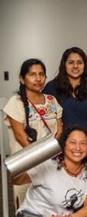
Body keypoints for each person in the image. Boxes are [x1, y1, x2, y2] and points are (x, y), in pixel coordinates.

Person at [5, 58, 63, 206]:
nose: (38, 79)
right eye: (32, 74)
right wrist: (41, 157)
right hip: (27, 163)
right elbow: (20, 136)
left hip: (51, 162)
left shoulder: (51, 100)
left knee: (51, 204)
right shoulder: (15, 102)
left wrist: (50, 157)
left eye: (41, 74)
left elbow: (59, 131)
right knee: (27, 207)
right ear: (22, 79)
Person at [44, 47, 87, 162]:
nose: (75, 66)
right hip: (60, 145)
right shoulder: (52, 87)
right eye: (71, 62)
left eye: (79, 62)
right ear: (64, 65)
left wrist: (86, 138)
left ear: (84, 65)